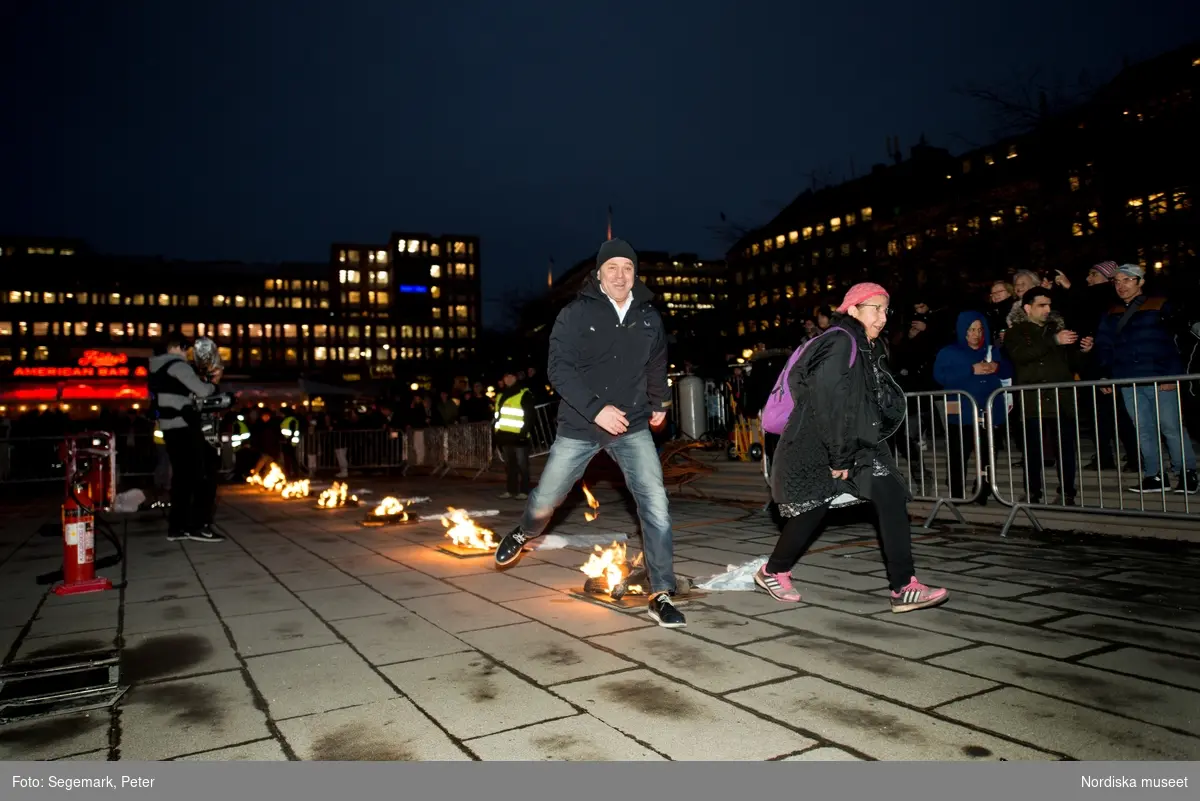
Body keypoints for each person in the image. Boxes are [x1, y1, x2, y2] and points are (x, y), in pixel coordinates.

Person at [492, 238, 685, 628]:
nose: (620, 275)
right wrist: (597, 409)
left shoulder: (649, 317)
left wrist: (660, 403)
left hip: (630, 426)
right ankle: (524, 531)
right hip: (580, 426)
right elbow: (559, 369)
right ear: (598, 274)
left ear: (635, 275)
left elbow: (657, 363)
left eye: (627, 268)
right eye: (612, 268)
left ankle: (661, 591)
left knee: (656, 505)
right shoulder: (575, 314)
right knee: (546, 500)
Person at [754, 282, 949, 613]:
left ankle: (904, 587)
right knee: (813, 508)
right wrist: (839, 455)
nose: (882, 316)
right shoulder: (840, 342)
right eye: (874, 308)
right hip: (821, 443)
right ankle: (774, 571)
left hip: (856, 442)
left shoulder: (868, 346)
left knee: (889, 495)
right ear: (853, 310)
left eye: (886, 309)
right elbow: (830, 403)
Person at [1094, 264, 1198, 494]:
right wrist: (1104, 374)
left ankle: (1187, 472)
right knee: (1143, 428)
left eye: (1127, 280)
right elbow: (1104, 345)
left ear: (1140, 282)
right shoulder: (1112, 311)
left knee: (1170, 426)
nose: (1120, 286)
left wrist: (1173, 374)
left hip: (1160, 376)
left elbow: (1177, 341)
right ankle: (1155, 475)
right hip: (1127, 379)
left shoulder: (1161, 305)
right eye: (1116, 281)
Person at [1005, 288, 1092, 505]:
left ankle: (1068, 492)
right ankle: (1033, 492)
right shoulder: (1016, 332)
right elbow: (1021, 355)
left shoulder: (1058, 330)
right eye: (1041, 305)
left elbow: (1072, 365)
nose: (1047, 309)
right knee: (1033, 450)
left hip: (1061, 398)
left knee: (1065, 449)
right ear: (1028, 308)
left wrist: (1083, 351)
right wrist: (1053, 341)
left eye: (1049, 304)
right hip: (1032, 399)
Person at [148, 332, 225, 543]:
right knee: (201, 476)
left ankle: (177, 527)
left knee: (182, 480)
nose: (187, 353)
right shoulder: (177, 366)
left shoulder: (156, 367)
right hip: (183, 427)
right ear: (177, 347)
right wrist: (213, 382)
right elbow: (202, 391)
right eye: (185, 349)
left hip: (169, 427)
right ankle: (198, 526)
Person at [932, 312, 1013, 502]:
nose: (975, 334)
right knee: (958, 454)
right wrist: (970, 370)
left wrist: (997, 367)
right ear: (962, 330)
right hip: (960, 412)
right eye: (971, 330)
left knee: (988, 454)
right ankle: (957, 493)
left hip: (989, 411)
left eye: (979, 329)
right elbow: (940, 377)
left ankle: (982, 491)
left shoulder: (992, 351)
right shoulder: (949, 352)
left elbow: (1009, 371)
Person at [494, 365, 535, 500]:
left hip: (519, 436)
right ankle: (511, 490)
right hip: (505, 436)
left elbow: (529, 416)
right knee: (509, 466)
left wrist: (524, 433)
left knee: (522, 465)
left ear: (516, 378)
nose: (508, 379)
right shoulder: (500, 396)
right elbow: (498, 416)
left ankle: (524, 491)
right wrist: (497, 434)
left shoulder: (524, 393)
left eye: (511, 376)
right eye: (506, 377)